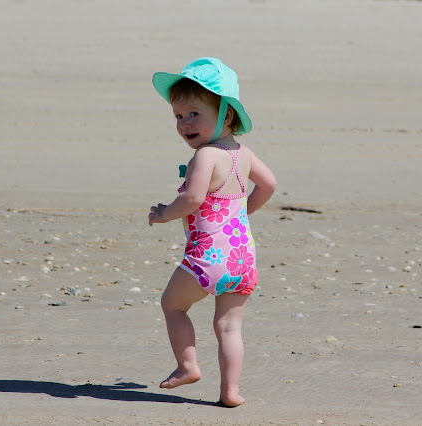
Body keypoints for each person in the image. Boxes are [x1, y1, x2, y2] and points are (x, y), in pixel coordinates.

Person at [148, 57, 277, 407]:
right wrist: (241, 214)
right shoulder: (243, 154)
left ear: (227, 116)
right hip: (243, 259)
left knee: (172, 306)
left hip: (207, 259)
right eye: (178, 116)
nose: (184, 123)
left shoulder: (206, 156)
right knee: (229, 328)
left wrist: (163, 215)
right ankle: (230, 392)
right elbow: (268, 185)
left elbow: (192, 198)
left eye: (194, 114)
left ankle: (187, 366)